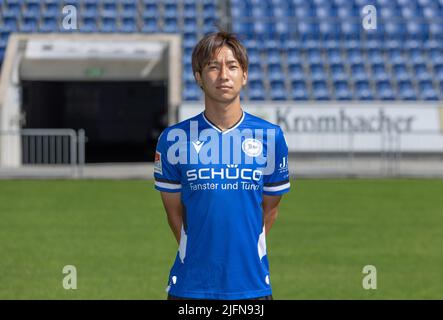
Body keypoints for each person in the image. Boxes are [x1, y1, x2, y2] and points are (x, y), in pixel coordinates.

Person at [153, 30, 290, 300]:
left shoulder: (271, 137)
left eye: (232, 66)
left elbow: (269, 211)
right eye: (213, 67)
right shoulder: (173, 139)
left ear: (245, 75)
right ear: (198, 77)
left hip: (252, 287)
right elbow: (174, 214)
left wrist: (243, 250)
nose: (223, 75)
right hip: (190, 288)